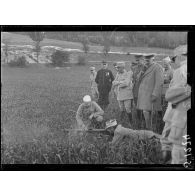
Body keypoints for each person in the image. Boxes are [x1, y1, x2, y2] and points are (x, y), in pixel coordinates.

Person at [160, 45, 190, 164]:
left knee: (176, 151)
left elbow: (171, 96)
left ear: (180, 56)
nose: (174, 62)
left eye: (174, 59)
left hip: (178, 114)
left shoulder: (181, 70)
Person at [137, 54, 164, 130]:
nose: (146, 62)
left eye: (148, 61)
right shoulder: (144, 68)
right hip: (144, 95)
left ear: (153, 60)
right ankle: (148, 128)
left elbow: (159, 82)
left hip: (151, 95)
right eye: (145, 60)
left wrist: (155, 94)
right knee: (145, 112)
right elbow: (138, 80)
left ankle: (153, 129)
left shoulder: (157, 67)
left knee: (152, 113)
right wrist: (142, 71)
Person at [112, 62, 134, 127]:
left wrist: (118, 83)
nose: (117, 69)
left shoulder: (128, 73)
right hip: (119, 95)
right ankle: (121, 122)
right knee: (121, 109)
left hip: (127, 95)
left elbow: (126, 83)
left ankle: (131, 123)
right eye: (117, 67)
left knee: (128, 109)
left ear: (123, 67)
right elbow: (113, 82)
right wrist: (120, 82)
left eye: (118, 67)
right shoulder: (118, 74)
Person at [131, 54, 145, 129]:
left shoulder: (146, 68)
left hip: (143, 91)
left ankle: (144, 122)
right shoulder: (135, 68)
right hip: (135, 91)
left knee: (143, 107)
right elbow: (133, 78)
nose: (137, 62)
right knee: (137, 106)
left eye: (138, 60)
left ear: (142, 60)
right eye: (136, 60)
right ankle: (139, 122)